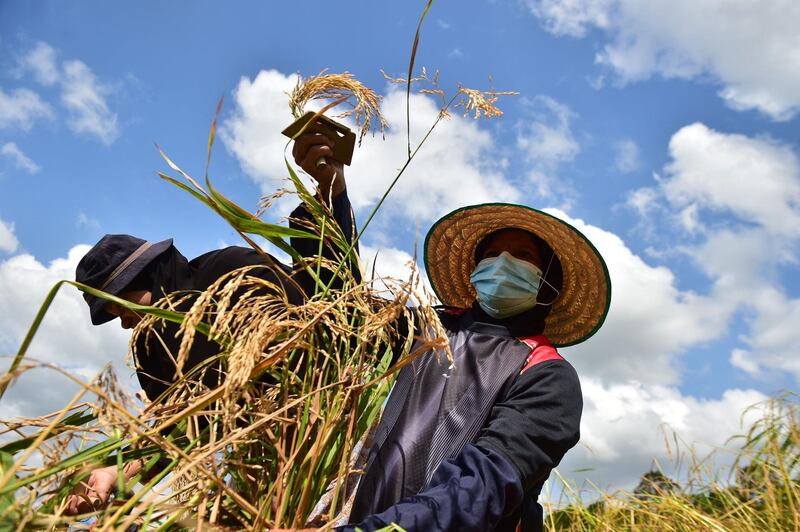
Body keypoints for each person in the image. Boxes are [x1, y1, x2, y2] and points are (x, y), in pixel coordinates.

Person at [64, 131, 357, 515]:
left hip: (341, 433)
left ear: (150, 276)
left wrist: (330, 195)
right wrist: (115, 472)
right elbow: (180, 434)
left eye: (122, 307)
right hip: (275, 471)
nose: (125, 325)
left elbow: (333, 305)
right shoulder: (155, 355)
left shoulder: (230, 271)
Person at [336, 203, 611, 531]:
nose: (503, 263)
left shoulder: (548, 374)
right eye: (492, 254)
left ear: (548, 281)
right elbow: (339, 308)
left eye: (523, 255)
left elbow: (481, 486)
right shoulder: (425, 328)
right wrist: (332, 194)